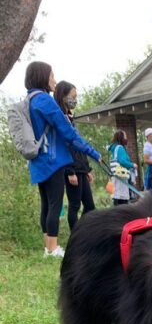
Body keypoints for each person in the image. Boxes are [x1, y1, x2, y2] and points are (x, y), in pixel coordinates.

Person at [25, 61, 101, 257]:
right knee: (55, 204)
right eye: (51, 76)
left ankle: (47, 246)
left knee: (46, 204)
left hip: (38, 160)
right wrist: (94, 153)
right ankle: (53, 249)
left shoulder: (30, 100)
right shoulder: (45, 100)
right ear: (42, 77)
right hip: (52, 161)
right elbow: (69, 135)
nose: (54, 80)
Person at [54, 81, 95, 231]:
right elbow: (63, 146)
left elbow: (79, 145)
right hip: (71, 168)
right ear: (63, 97)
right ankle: (76, 236)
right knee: (75, 205)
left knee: (90, 206)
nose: (75, 100)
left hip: (81, 168)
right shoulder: (59, 118)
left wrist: (87, 169)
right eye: (73, 96)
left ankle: (83, 232)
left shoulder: (70, 119)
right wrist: (70, 171)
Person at [108, 130, 137, 205]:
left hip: (117, 177)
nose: (126, 138)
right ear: (121, 138)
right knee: (122, 199)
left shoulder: (115, 148)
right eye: (125, 136)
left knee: (117, 198)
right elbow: (122, 161)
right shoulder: (120, 148)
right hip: (121, 177)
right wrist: (132, 165)